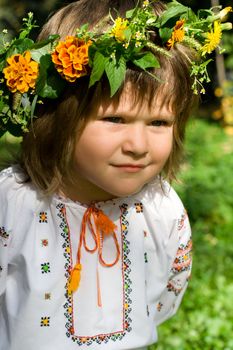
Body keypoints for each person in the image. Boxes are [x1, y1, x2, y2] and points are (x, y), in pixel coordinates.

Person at [0, 1, 231, 349]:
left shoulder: (161, 209)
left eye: (159, 122)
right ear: (58, 115)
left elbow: (168, 291)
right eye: (115, 119)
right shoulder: (14, 206)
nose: (137, 145)